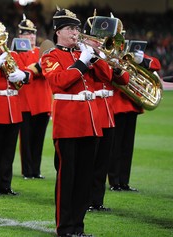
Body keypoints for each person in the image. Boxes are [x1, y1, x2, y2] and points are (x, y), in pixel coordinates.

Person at [41, 7, 112, 237]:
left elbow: (107, 77)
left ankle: (78, 227)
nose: (75, 33)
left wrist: (95, 56)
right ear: (58, 31)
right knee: (67, 179)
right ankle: (64, 228)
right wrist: (81, 62)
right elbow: (60, 81)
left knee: (83, 179)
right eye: (70, 28)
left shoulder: (84, 53)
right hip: (67, 125)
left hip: (89, 123)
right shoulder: (50, 56)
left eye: (76, 28)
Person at [80, 15, 129, 212]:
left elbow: (124, 79)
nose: (101, 41)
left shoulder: (107, 55)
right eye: (97, 38)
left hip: (107, 111)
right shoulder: (82, 54)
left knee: (102, 162)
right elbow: (104, 74)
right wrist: (97, 56)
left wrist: (114, 63)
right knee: (88, 161)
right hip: (91, 110)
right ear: (87, 38)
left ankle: (97, 201)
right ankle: (83, 200)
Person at [108, 39, 162, 192]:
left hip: (132, 104)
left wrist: (141, 60)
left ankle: (124, 182)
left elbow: (156, 64)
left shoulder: (130, 53)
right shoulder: (112, 54)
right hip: (117, 104)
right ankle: (114, 181)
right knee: (116, 146)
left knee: (127, 147)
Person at [0, 15, 27, 196]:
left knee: (9, 150)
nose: (1, 41)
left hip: (13, 107)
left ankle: (5, 185)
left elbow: (24, 75)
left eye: (3, 37)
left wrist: (21, 75)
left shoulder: (13, 55)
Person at [16, 14, 52, 179]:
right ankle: (27, 170)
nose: (31, 36)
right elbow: (22, 73)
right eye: (27, 33)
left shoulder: (41, 52)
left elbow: (48, 71)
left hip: (42, 103)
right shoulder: (16, 53)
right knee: (26, 140)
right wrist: (36, 68)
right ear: (20, 36)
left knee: (38, 139)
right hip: (24, 103)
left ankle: (35, 171)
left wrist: (36, 68)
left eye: (32, 33)